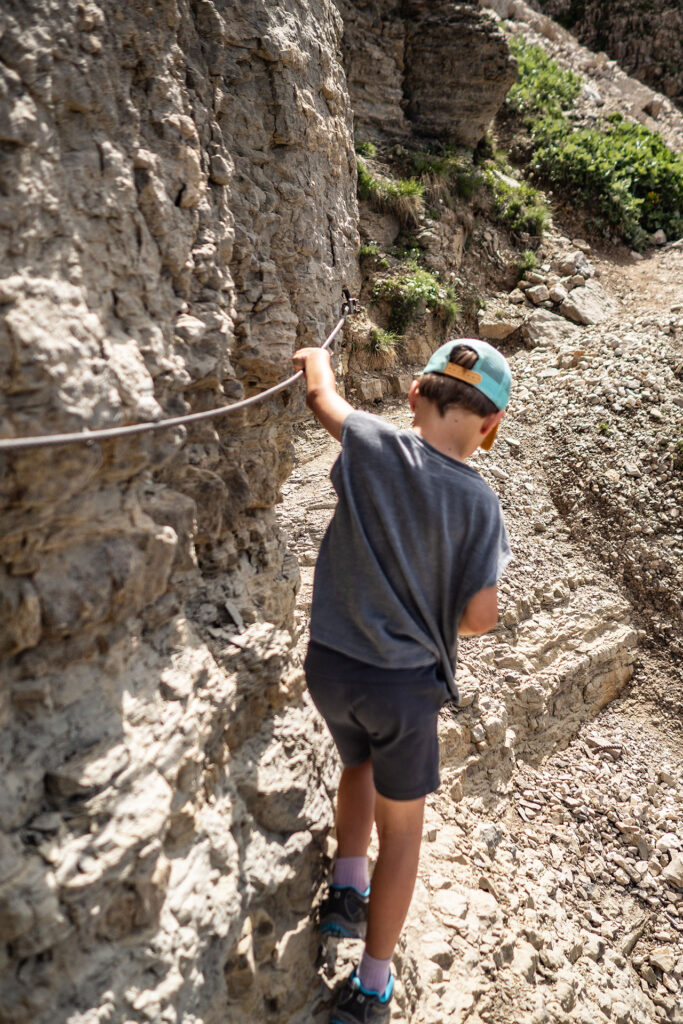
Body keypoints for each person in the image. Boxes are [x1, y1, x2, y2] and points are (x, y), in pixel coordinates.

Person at [292, 337, 512, 1024]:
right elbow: (480, 617)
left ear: (415, 394)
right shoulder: (479, 504)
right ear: (491, 425)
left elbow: (321, 397)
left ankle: (345, 889)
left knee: (354, 762)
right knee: (404, 830)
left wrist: (314, 356)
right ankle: (372, 984)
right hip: (403, 688)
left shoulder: (370, 441)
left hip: (331, 664)